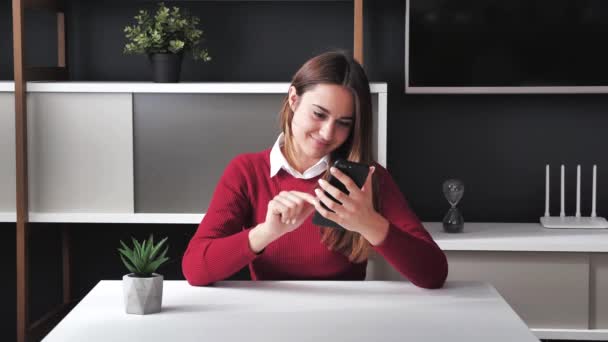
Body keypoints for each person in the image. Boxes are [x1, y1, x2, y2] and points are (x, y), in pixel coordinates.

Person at [182, 51, 448, 289]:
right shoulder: (247, 171)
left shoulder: (367, 178)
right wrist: (267, 232)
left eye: (343, 123)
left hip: (346, 322)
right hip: (268, 322)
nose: (327, 133)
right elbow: (195, 268)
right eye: (319, 114)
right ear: (294, 99)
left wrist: (370, 224)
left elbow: (434, 274)